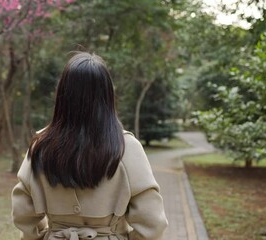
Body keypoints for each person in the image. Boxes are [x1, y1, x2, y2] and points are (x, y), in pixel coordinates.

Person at [11, 52, 168, 240]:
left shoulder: (41, 145)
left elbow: (23, 213)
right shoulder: (127, 149)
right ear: (108, 96)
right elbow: (153, 224)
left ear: (62, 95)